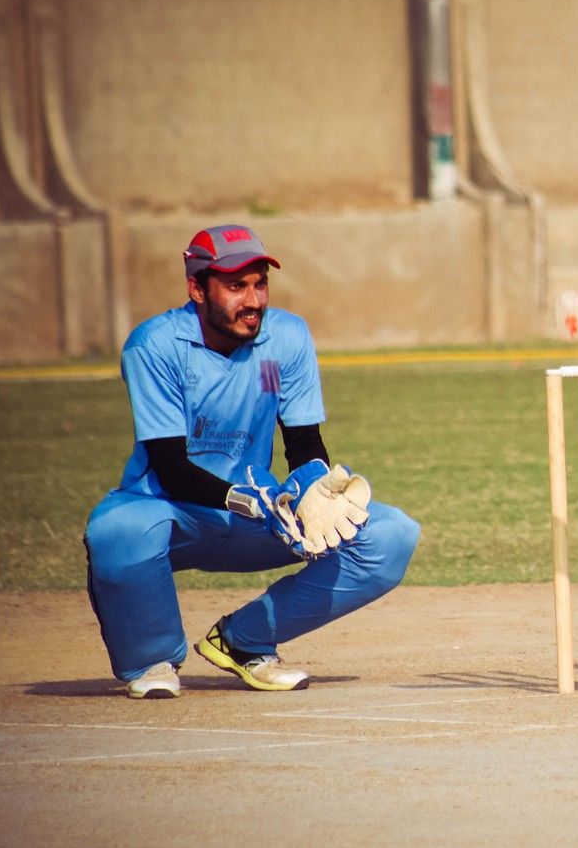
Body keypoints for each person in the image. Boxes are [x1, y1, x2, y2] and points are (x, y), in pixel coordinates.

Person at [83, 225, 420, 699]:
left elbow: (303, 442)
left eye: (260, 284)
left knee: (390, 534)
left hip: (260, 512)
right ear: (197, 289)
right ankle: (151, 659)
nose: (254, 300)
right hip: (170, 511)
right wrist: (243, 500)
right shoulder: (154, 346)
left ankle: (244, 640)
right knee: (113, 530)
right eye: (236, 286)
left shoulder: (285, 338)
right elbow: (169, 466)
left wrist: (314, 489)